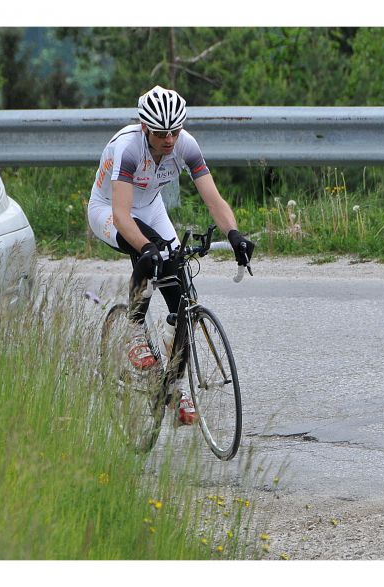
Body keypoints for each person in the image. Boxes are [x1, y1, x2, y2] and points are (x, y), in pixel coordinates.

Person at [87, 85, 254, 425]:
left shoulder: (185, 145)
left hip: (151, 209)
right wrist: (146, 247)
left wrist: (234, 234)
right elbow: (121, 215)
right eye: (162, 133)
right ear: (145, 128)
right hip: (108, 211)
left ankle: (174, 384)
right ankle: (133, 330)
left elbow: (212, 198)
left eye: (174, 132)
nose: (169, 140)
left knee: (182, 297)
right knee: (149, 256)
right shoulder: (128, 149)